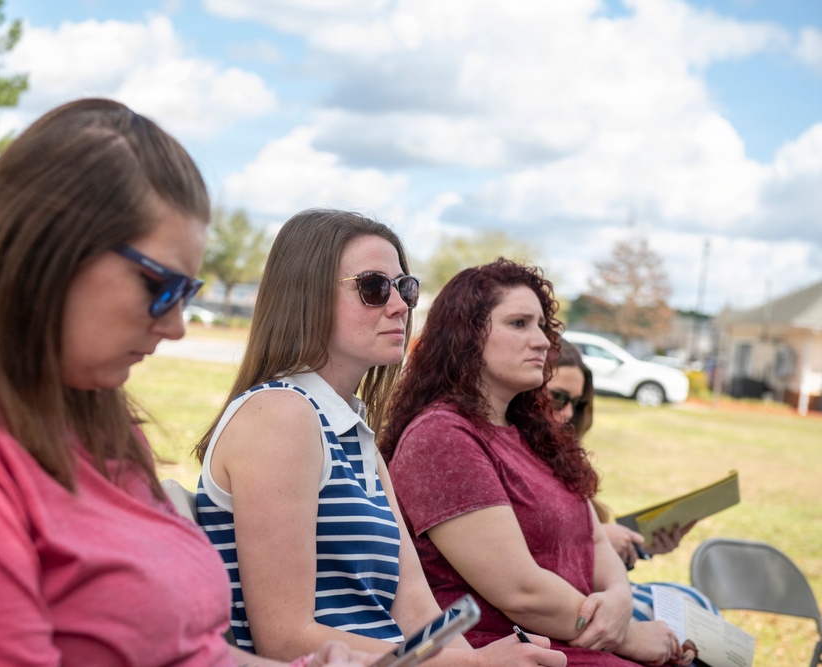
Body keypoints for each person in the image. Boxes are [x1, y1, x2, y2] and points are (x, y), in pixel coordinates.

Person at [0, 99, 371, 667]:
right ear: (45, 249)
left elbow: (189, 652)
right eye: (161, 286)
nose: (177, 326)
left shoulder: (89, 417)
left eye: (188, 294)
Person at [194, 210, 566, 667]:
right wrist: (476, 665)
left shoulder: (350, 428)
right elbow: (287, 639)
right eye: (373, 287)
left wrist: (477, 663)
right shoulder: (280, 415)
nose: (400, 306)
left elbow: (415, 607)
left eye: (405, 287)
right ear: (305, 296)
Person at [381, 259, 694, 667]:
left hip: (583, 642)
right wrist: (627, 635)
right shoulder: (442, 437)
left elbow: (595, 540)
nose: (542, 340)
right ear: (466, 335)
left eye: (543, 326)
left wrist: (620, 600)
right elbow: (520, 592)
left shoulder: (535, 432)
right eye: (519, 324)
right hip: (516, 652)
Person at [549, 342, 716, 622]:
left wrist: (638, 545)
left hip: (599, 594)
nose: (567, 414)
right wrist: (597, 540)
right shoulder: (513, 459)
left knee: (699, 610)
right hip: (570, 608)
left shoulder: (561, 459)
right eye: (557, 398)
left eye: (577, 404)